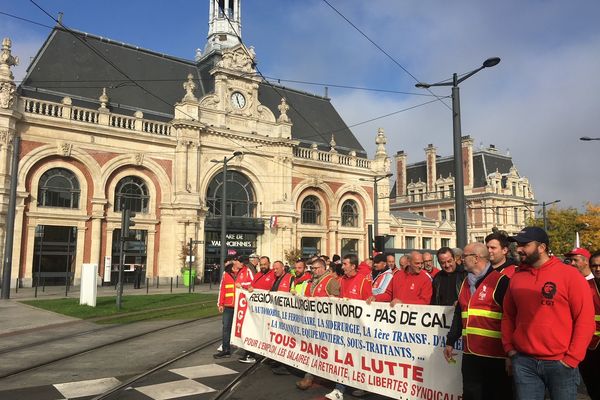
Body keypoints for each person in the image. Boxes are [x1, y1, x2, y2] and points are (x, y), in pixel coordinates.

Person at [502, 227, 594, 400]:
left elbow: (585, 320)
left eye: (525, 245)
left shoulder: (570, 275)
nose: (519, 248)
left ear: (542, 247)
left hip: (560, 364)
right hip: (524, 362)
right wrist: (510, 349)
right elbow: (508, 315)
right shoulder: (517, 276)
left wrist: (571, 359)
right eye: (518, 244)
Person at [444, 242, 511, 400]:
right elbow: (460, 314)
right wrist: (450, 341)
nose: (460, 260)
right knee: (471, 395)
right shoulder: (465, 283)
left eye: (464, 257)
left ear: (476, 258)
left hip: (495, 356)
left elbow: (511, 318)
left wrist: (510, 353)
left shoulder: (501, 282)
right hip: (470, 355)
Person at [326, 254, 372, 400]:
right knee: (343, 357)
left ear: (353, 266)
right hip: (344, 326)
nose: (343, 266)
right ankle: (339, 389)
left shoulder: (364, 282)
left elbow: (369, 306)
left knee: (358, 358)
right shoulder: (343, 280)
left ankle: (362, 386)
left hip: (358, 329)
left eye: (345, 264)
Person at [296, 258, 340, 390]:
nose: (313, 271)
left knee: (325, 352)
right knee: (313, 350)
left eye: (315, 269)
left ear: (322, 268)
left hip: (326, 324)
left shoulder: (331, 281)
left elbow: (337, 301)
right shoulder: (311, 282)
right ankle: (309, 376)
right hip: (313, 323)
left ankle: (320, 377)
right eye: (312, 269)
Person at [566, 248, 600, 399]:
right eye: (594, 265)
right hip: (590, 345)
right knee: (593, 385)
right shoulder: (586, 285)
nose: (597, 268)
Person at [214, 257, 239, 358]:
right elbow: (222, 289)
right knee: (226, 328)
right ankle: (226, 349)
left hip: (240, 306)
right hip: (228, 306)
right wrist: (220, 303)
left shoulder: (243, 273)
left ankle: (247, 351)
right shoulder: (226, 274)